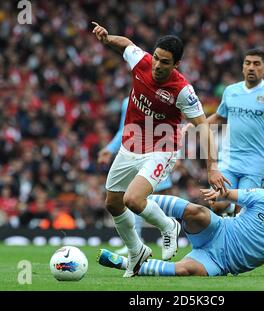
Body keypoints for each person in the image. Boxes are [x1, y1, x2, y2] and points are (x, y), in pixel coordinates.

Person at [91, 22, 229, 277]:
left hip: (162, 146)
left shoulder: (183, 91)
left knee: (133, 199)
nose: (157, 65)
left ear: (175, 64)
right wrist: (107, 38)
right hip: (131, 144)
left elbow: (203, 127)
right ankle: (136, 251)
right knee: (113, 203)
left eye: (164, 62)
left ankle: (169, 227)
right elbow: (127, 45)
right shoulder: (140, 61)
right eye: (156, 58)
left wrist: (212, 167)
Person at [98, 169, 264, 278]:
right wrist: (219, 194)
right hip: (219, 231)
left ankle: (125, 264)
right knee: (199, 212)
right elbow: (230, 194)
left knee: (186, 270)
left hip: (221, 262)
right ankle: (139, 200)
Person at [207, 49, 264, 215]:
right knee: (217, 204)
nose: (251, 67)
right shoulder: (231, 91)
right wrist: (195, 127)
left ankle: (235, 216)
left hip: (255, 164)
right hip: (228, 160)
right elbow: (219, 116)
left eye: (256, 64)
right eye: (247, 63)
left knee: (245, 210)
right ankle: (231, 208)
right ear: (242, 67)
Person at [99, 97, 174, 255]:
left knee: (146, 198)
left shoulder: (167, 96)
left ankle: (170, 229)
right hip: (133, 155)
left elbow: (174, 127)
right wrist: (110, 149)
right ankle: (137, 240)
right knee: (131, 199)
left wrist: (177, 153)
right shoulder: (128, 101)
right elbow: (124, 130)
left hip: (157, 153)